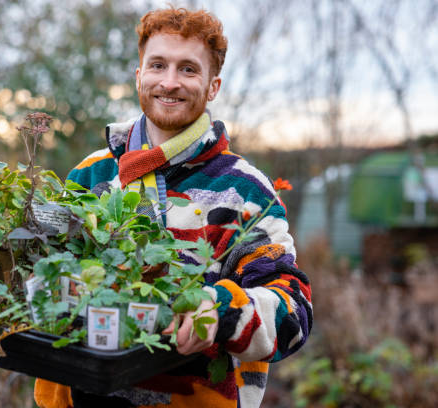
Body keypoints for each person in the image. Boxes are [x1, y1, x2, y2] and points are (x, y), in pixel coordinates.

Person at [34, 6, 312, 408]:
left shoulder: (244, 191)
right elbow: (46, 275)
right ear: (138, 75)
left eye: (188, 69)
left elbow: (294, 314)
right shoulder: (92, 175)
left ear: (213, 86)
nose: (169, 82)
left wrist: (219, 311)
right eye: (158, 65)